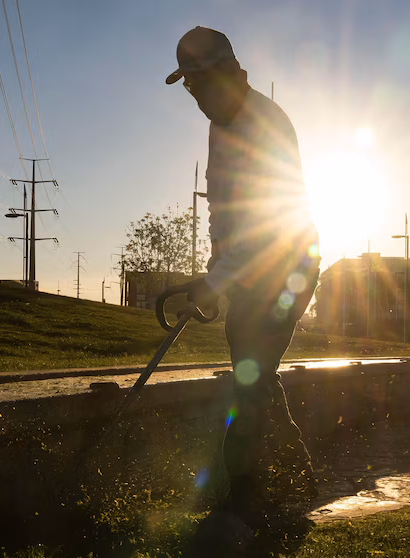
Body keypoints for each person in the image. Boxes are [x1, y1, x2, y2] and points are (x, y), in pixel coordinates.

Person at [164, 26, 321, 550]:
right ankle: (294, 473)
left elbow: (267, 220)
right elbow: (221, 210)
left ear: (230, 74)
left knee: (250, 376)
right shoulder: (220, 123)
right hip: (252, 270)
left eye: (200, 85)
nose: (196, 97)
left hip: (289, 267)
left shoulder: (262, 123)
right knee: (252, 370)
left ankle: (244, 498)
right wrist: (216, 267)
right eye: (189, 88)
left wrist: (217, 280)